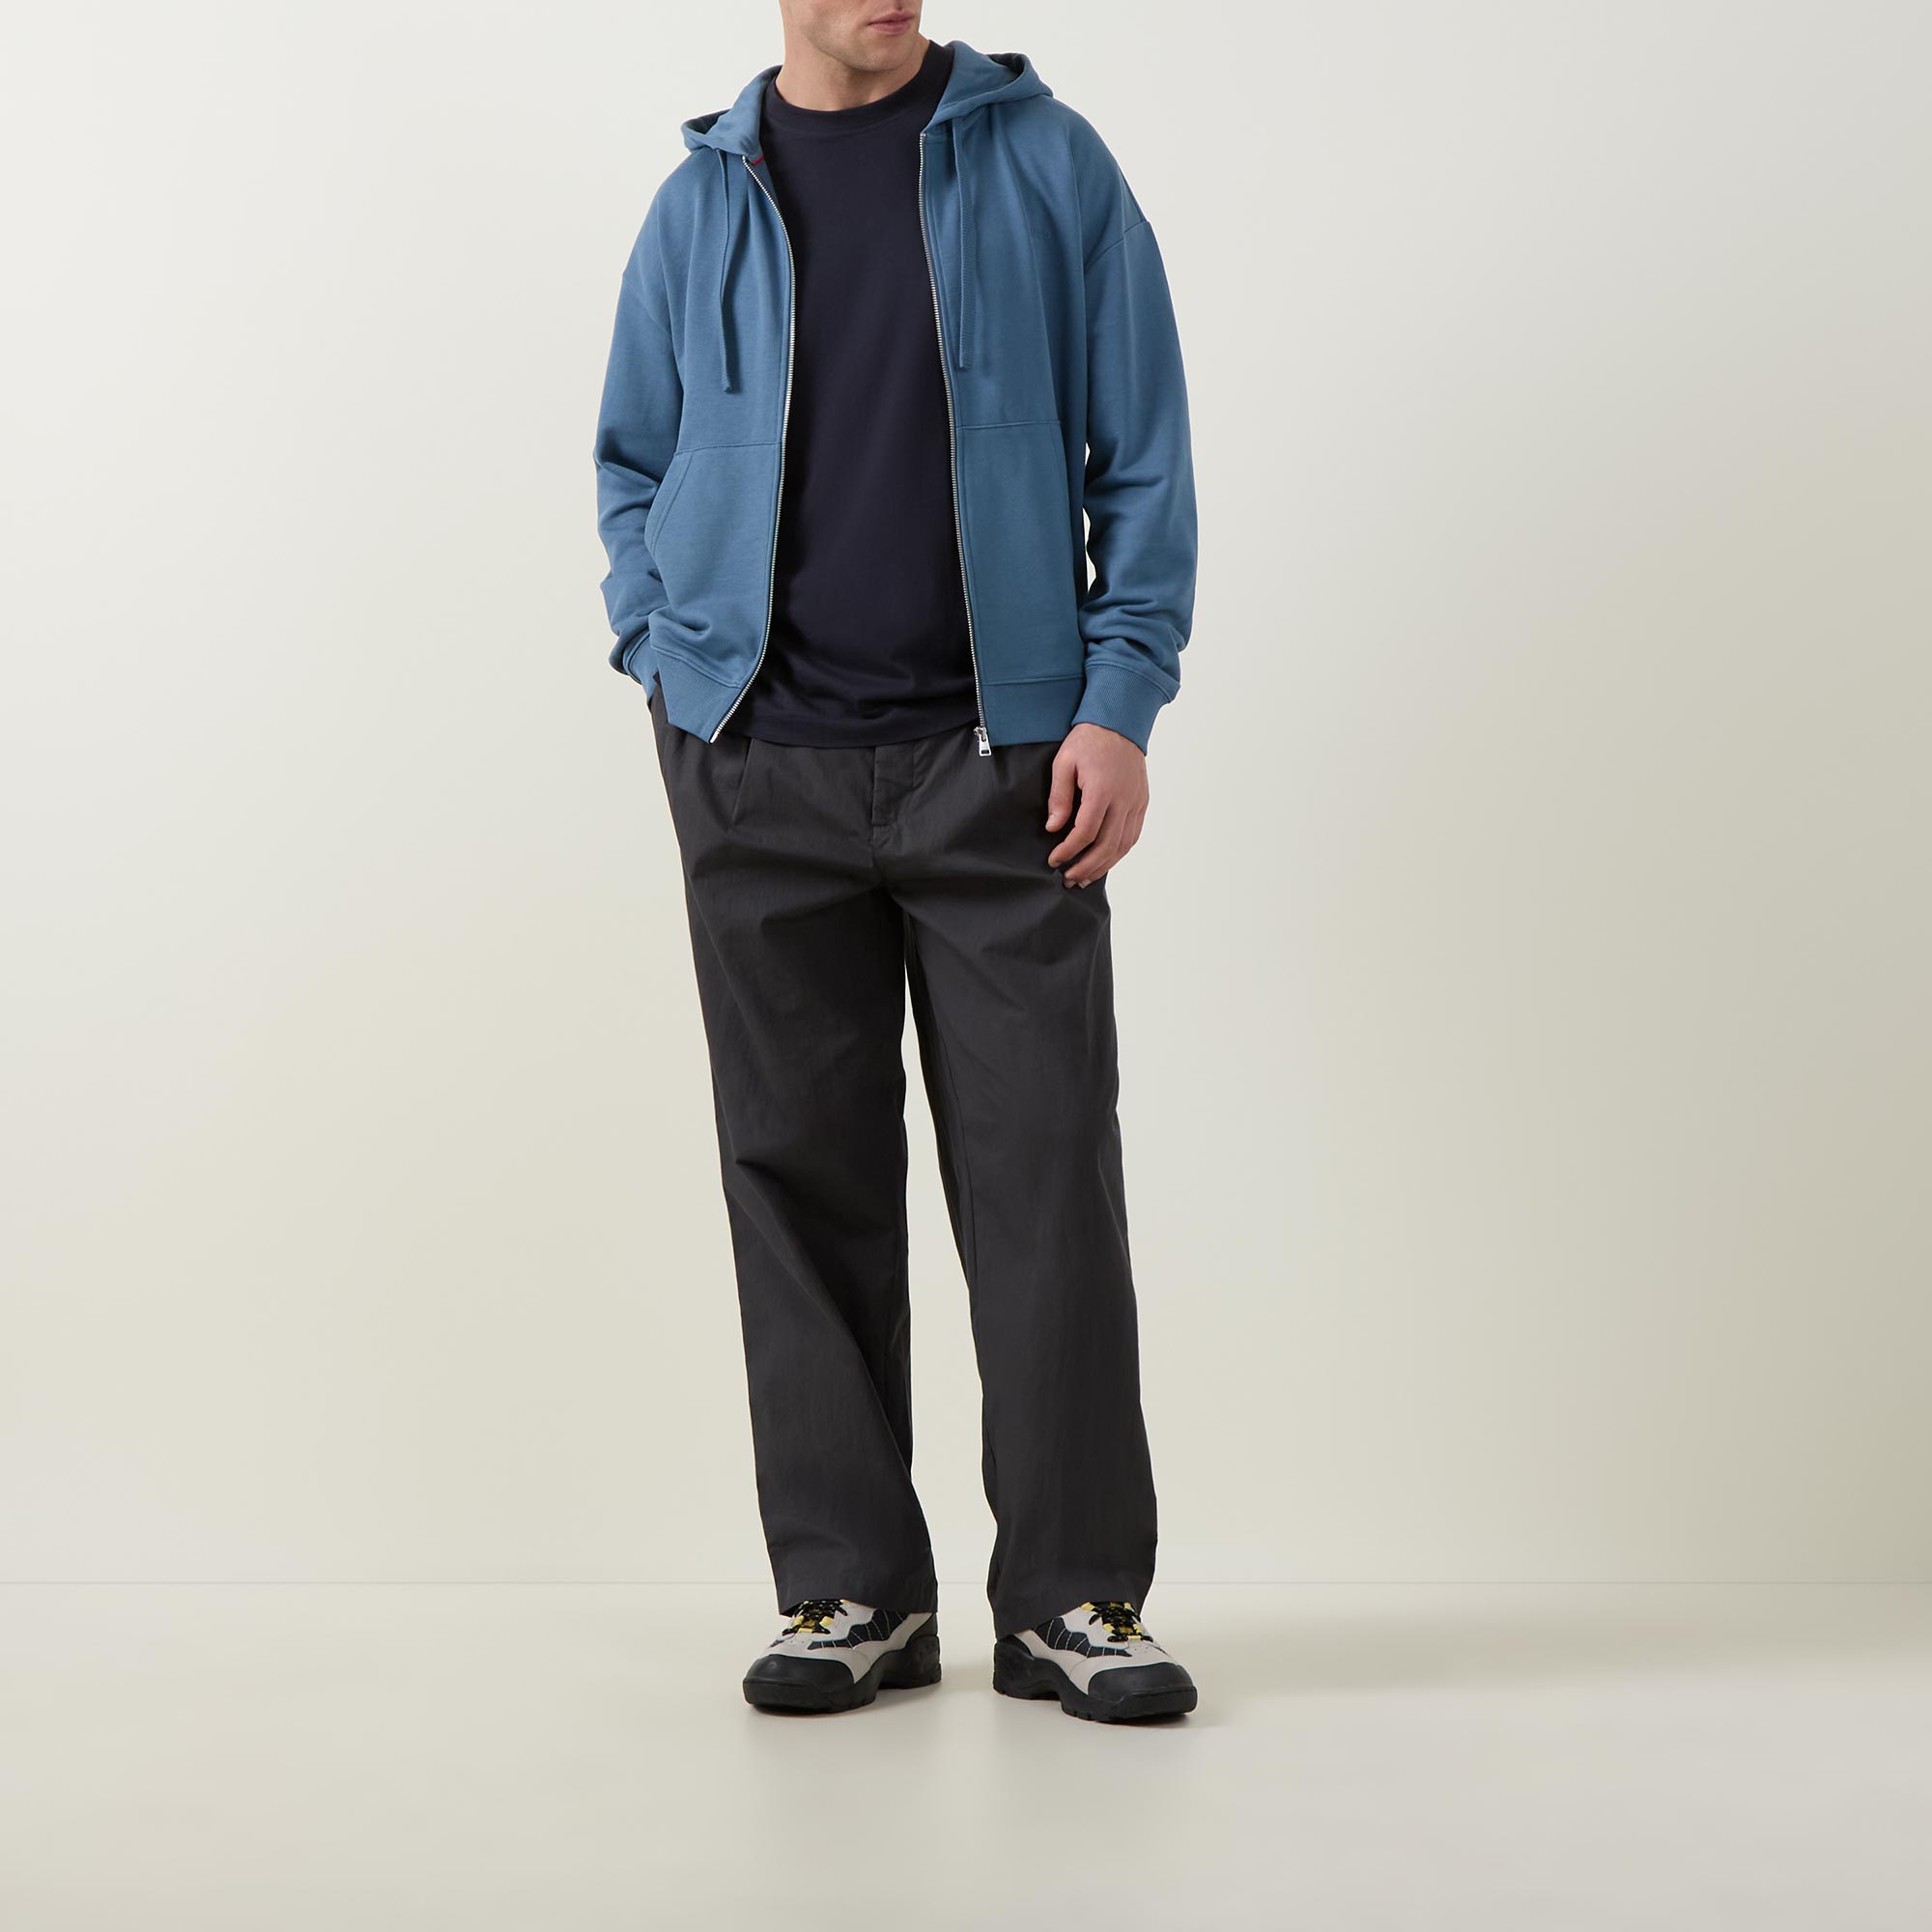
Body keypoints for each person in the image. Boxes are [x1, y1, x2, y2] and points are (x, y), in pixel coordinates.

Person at [592, 1, 1198, 1724]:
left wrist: (1118, 703)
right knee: (798, 1181)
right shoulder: (700, 204)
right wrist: (668, 661)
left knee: (1044, 1177)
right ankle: (850, 1587)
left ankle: (1074, 1597)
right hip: (758, 764)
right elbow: (632, 462)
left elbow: (1146, 456)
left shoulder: (1047, 164)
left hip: (1005, 768)